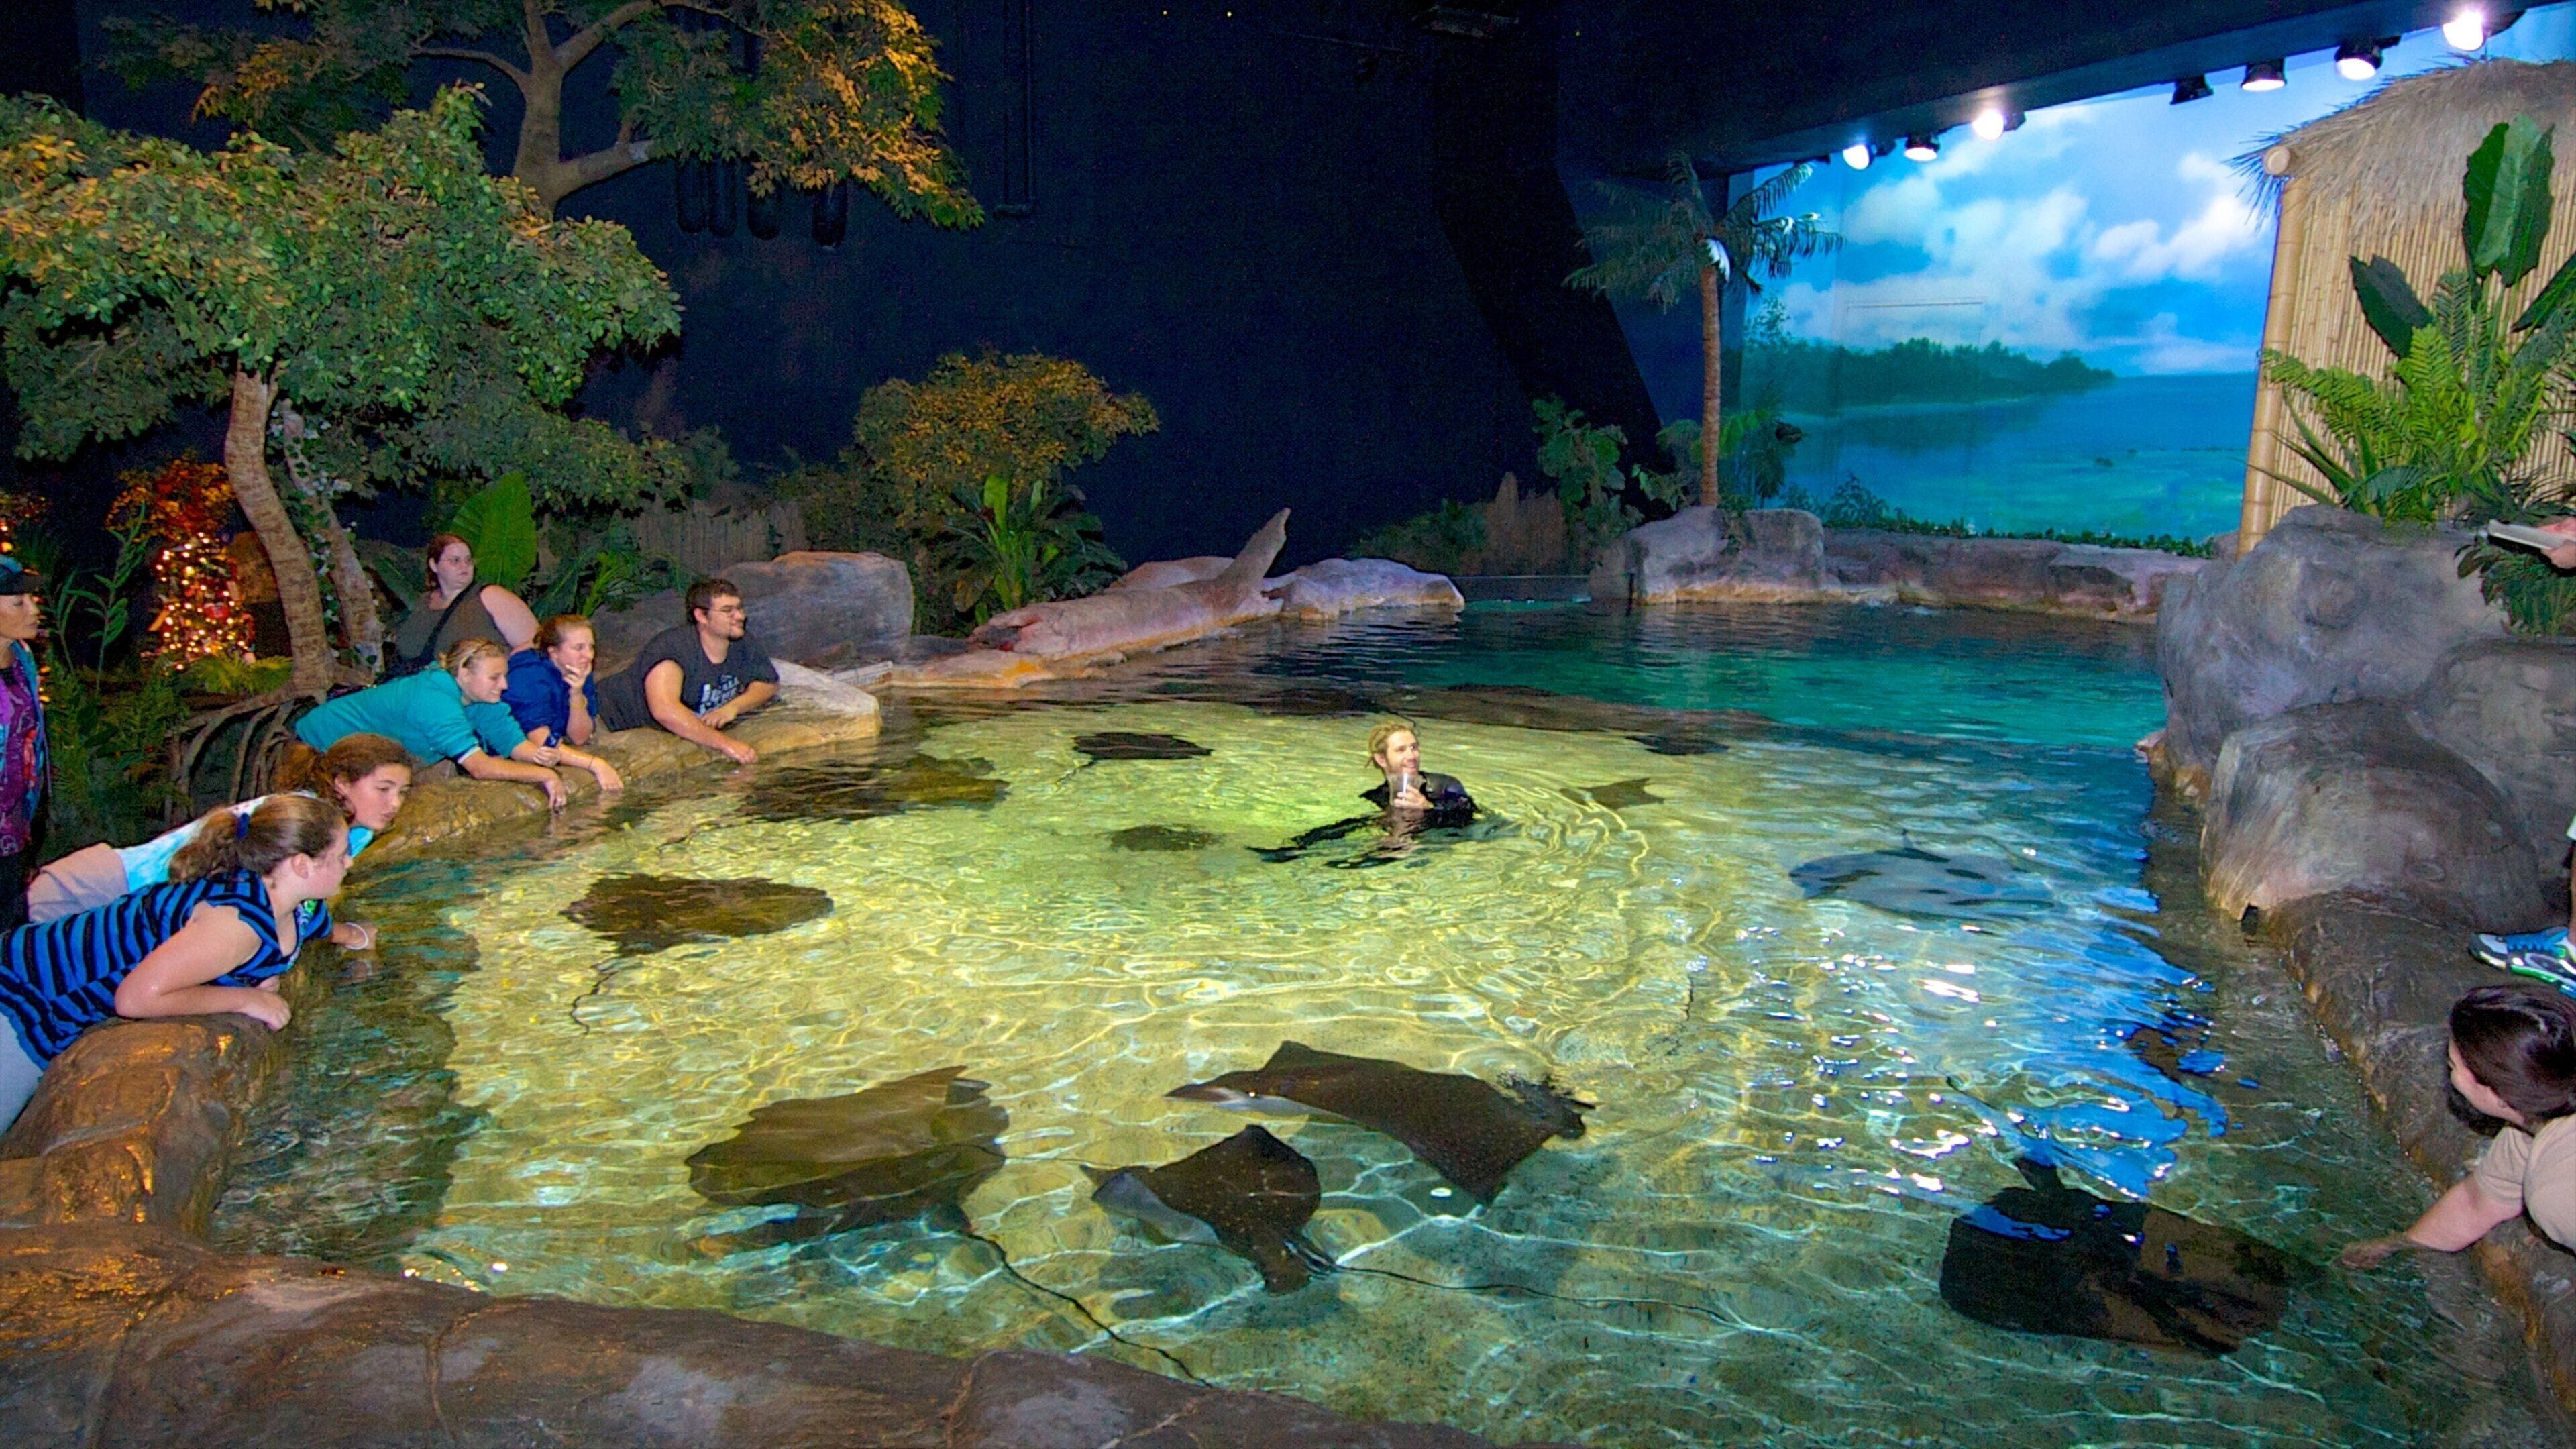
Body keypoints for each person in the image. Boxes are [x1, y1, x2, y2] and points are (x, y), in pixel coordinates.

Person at [0, 793, 347, 1130]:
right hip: (24, 996)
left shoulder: (276, 904)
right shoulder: (236, 924)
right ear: (302, 866)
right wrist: (247, 999)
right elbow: (135, 998)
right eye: (341, 855)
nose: (349, 862)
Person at [24, 733, 411, 937]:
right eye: (383, 789)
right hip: (98, 889)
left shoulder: (355, 831)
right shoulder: (307, 819)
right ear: (342, 783)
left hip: (137, 904)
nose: (395, 803)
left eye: (402, 792)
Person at [2341, 983, 2576, 1268]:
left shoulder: (2557, 1189)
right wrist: (2397, 1245)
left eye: (2453, 1066)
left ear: (2498, 1094)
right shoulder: (2532, 1124)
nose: (2450, 1073)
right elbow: (2478, 1202)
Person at [296, 638, 568, 809]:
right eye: (495, 677)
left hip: (371, 755)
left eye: (504, 676)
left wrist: (543, 757)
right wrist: (545, 775)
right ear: (463, 673)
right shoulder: (435, 700)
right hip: (318, 745)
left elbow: (515, 745)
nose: (504, 685)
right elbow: (480, 767)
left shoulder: (482, 697)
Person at [596, 578, 777, 765]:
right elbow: (665, 711)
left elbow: (768, 683)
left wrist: (733, 708)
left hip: (659, 729)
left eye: (739, 608)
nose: (739, 616)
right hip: (606, 721)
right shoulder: (674, 649)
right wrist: (726, 744)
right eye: (727, 611)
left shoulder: (742, 642)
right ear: (701, 616)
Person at [1256, 721, 1479, 864]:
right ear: (1381, 759)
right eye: (1401, 750)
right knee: (1351, 826)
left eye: (1414, 747)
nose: (1412, 756)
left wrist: (1429, 807)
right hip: (1399, 838)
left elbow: (1470, 815)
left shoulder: (1443, 785)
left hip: (1435, 843)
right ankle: (1296, 848)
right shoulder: (1376, 796)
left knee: (1361, 860)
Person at [498, 616, 625, 794]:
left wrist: (576, 693)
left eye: (591, 647)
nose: (588, 655)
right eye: (578, 648)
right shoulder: (529, 677)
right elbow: (541, 741)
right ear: (554, 652)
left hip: (550, 744)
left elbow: (579, 738)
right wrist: (595, 764)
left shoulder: (578, 669)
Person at [388, 533, 539, 675]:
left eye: (468, 560)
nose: (464, 566)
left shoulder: (491, 596)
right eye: (455, 560)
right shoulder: (424, 603)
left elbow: (535, 644)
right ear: (434, 565)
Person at [0, 554, 46, 933]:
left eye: (32, 599)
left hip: (14, 825)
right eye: (19, 603)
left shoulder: (22, 659)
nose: (33, 610)